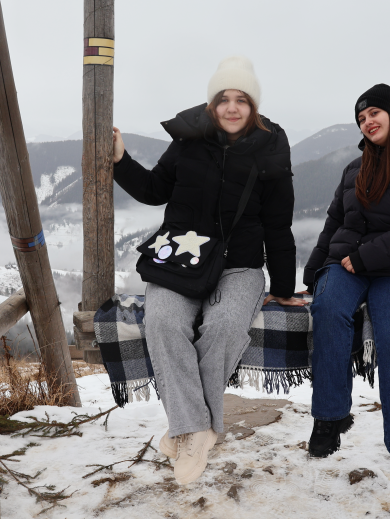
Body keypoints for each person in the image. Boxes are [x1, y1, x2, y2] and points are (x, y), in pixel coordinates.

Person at [112, 56, 304, 485]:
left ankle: (183, 430)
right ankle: (199, 431)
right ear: (212, 104)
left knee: (223, 326)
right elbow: (152, 189)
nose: (232, 108)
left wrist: (286, 286)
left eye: (241, 100)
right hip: (181, 259)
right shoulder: (187, 141)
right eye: (223, 99)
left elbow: (278, 224)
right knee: (162, 322)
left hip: (240, 266)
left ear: (253, 106)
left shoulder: (271, 148)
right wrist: (121, 159)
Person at [303, 84, 390, 499]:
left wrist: (367, 257)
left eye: (374, 113)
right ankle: (330, 417)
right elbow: (333, 224)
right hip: (347, 265)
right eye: (361, 117)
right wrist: (314, 271)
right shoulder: (354, 168)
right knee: (328, 308)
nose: (368, 121)